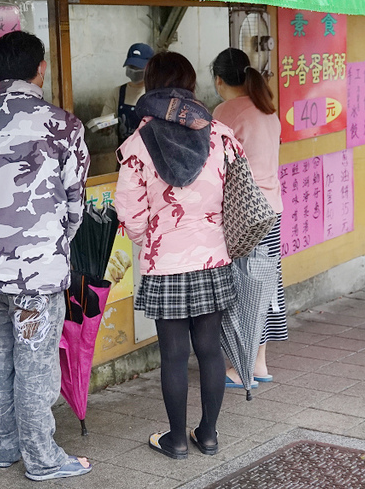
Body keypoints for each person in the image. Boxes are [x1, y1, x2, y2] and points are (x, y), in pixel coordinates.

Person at [0, 31, 92, 481]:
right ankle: (42, 458)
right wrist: (54, 247)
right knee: (35, 365)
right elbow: (75, 205)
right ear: (42, 68)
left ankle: (1, 447)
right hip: (35, 273)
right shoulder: (63, 126)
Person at [114, 51, 239, 460]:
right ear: (188, 86)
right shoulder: (220, 134)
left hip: (164, 262)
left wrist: (149, 238)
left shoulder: (136, 143)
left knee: (172, 355)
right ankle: (209, 434)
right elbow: (239, 194)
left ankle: (176, 439)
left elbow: (130, 213)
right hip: (213, 259)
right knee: (209, 350)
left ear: (150, 85)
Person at [211, 48, 287, 388]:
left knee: (243, 286)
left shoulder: (225, 112)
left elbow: (214, 164)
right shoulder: (268, 109)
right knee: (265, 283)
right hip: (272, 210)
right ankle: (259, 363)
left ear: (218, 79)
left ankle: (239, 367)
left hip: (244, 214)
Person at [101, 42, 154, 145]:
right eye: (131, 66)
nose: (134, 71)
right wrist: (105, 128)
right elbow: (105, 119)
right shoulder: (118, 92)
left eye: (138, 67)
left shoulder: (155, 94)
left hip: (148, 157)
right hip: (124, 157)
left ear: (150, 68)